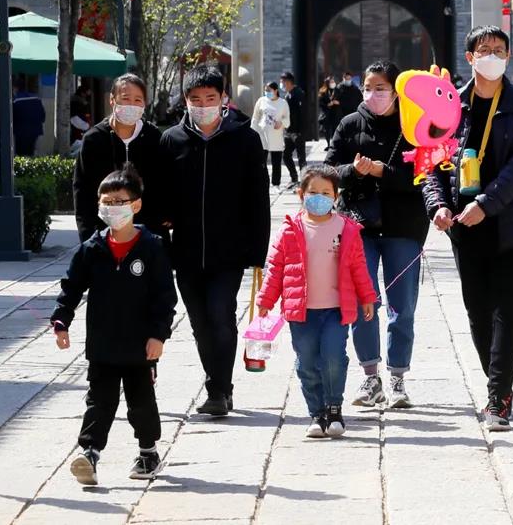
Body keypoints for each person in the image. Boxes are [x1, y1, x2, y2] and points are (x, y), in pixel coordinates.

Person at [423, 25, 513, 432]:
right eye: (483, 49)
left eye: (498, 49)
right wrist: (438, 205)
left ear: (508, 57)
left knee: (507, 307)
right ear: (469, 57)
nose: (491, 55)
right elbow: (432, 162)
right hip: (465, 226)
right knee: (477, 311)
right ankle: (498, 381)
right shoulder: (451, 105)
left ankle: (498, 395)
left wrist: (487, 204)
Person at [51, 165, 177, 487]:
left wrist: (158, 335)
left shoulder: (152, 247)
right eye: (106, 202)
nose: (112, 208)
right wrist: (62, 320)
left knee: (141, 402)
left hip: (140, 345)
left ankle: (148, 450)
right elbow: (72, 286)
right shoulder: (91, 249)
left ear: (135, 205)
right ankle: (89, 452)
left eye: (119, 201)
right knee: (99, 401)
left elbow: (165, 297)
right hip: (103, 344)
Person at [159, 63, 270, 416]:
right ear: (185, 101)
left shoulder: (245, 139)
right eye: (195, 99)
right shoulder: (171, 140)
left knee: (221, 315)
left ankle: (220, 390)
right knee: (199, 322)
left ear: (223, 99)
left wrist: (258, 250)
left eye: (210, 97)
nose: (203, 104)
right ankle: (216, 381)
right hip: (187, 250)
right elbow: (162, 196)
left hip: (229, 250)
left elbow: (258, 198)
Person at [326, 60, 428, 410]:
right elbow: (328, 171)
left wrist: (384, 171)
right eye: (368, 87)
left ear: (396, 90)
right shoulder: (350, 124)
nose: (373, 94)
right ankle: (371, 376)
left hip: (404, 226)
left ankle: (398, 377)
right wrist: (353, 172)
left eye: (380, 88)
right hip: (359, 227)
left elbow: (423, 174)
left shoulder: (414, 125)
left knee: (403, 307)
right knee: (363, 303)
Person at [257, 164, 376, 438]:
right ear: (301, 194)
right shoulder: (289, 230)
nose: (319, 197)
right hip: (301, 312)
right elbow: (275, 268)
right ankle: (316, 412)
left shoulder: (346, 229)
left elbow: (358, 266)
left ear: (336, 196)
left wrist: (367, 296)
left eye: (326, 192)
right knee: (307, 362)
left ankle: (334, 407)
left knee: (334, 357)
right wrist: (266, 300)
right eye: (313, 192)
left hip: (336, 309)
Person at [73, 75, 165, 243]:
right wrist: (87, 235)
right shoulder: (94, 139)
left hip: (148, 237)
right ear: (112, 100)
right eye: (125, 98)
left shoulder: (154, 138)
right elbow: (83, 191)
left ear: (145, 103)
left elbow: (163, 186)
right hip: (104, 236)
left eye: (138, 100)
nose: (131, 105)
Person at [251, 81, 290, 187]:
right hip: (262, 136)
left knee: (276, 163)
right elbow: (255, 117)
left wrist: (281, 123)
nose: (266, 92)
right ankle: (262, 183)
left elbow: (287, 120)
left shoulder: (283, 103)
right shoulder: (261, 101)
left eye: (269, 90)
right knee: (261, 162)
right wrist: (253, 131)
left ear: (276, 90)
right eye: (265, 90)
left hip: (276, 137)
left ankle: (276, 184)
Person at [280, 71, 307, 186]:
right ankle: (294, 178)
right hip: (288, 131)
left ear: (289, 82)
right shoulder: (287, 95)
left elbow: (303, 113)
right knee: (286, 156)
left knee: (301, 157)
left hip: (298, 132)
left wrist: (301, 131)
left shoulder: (299, 93)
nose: (281, 84)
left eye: (283, 82)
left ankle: (304, 181)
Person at [12, 81, 45, 156]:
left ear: (15, 89)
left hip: (20, 133)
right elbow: (43, 117)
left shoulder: (16, 102)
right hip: (35, 132)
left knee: (21, 155)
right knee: (32, 154)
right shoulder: (37, 99)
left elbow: (13, 119)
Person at [317, 76, 341, 143]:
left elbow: (342, 99)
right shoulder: (322, 91)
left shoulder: (337, 90)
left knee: (335, 128)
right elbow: (320, 102)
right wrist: (327, 105)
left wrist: (338, 102)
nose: (333, 83)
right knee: (326, 129)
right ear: (327, 83)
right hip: (326, 113)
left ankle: (334, 143)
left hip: (335, 112)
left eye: (333, 82)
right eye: (331, 82)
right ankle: (328, 144)